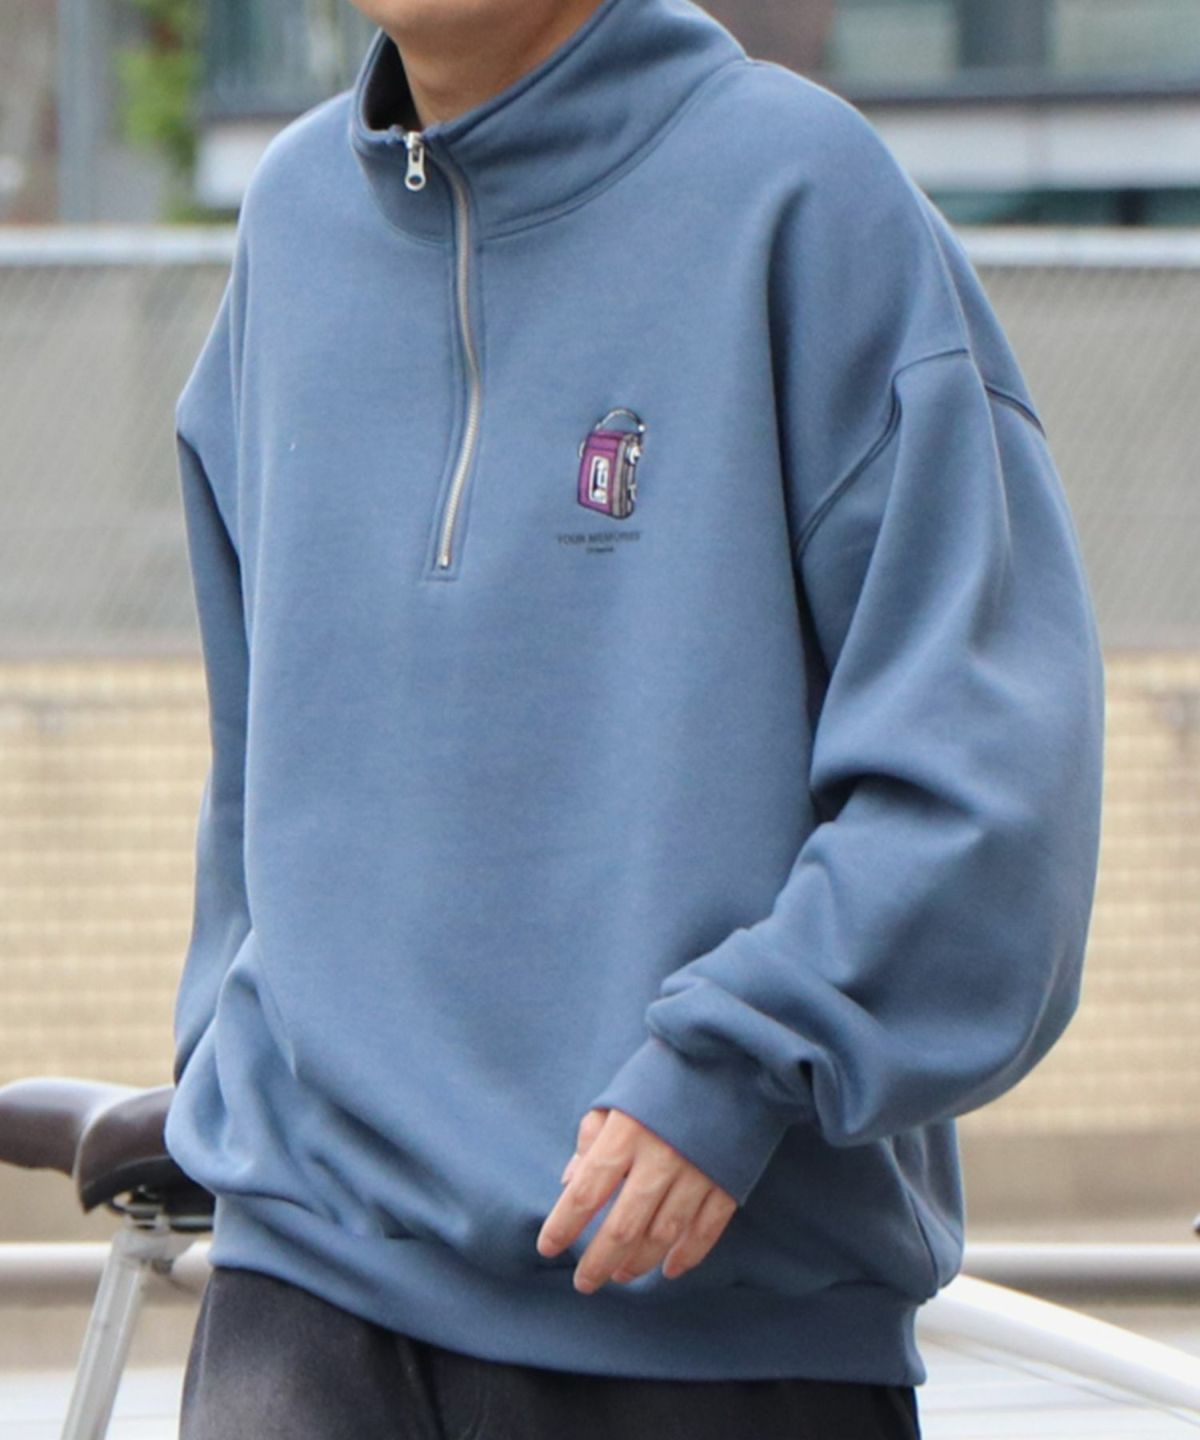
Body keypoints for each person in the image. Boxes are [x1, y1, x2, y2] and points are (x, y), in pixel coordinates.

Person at [164, 0, 1106, 1435]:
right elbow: (257, 751)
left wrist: (739, 1061)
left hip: (707, 1318)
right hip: (299, 1302)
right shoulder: (293, 224)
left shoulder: (803, 197)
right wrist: (222, 1075)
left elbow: (994, 780)